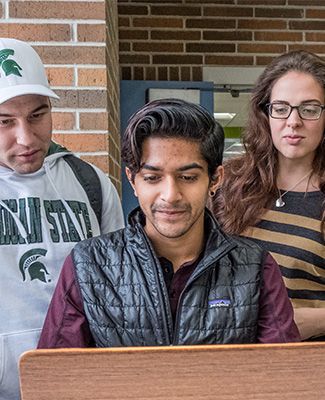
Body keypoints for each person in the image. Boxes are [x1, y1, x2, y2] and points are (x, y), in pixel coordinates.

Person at [38, 98, 300, 350]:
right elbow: (56, 380)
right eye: (152, 177)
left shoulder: (255, 268)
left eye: (187, 177)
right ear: (132, 180)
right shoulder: (89, 265)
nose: (170, 195)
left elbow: (283, 379)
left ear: (215, 179)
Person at [0, 38, 124, 400]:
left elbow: (119, 288)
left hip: (81, 385)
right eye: (5, 121)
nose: (25, 137)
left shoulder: (90, 183)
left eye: (37, 115)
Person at [212, 50, 325, 341]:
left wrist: (289, 319)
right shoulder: (230, 184)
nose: (293, 121)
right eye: (281, 107)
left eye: (309, 109)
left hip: (306, 367)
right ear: (266, 113)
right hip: (227, 358)